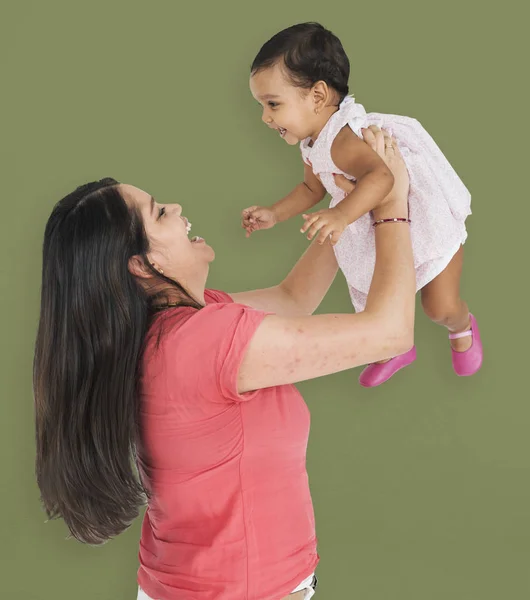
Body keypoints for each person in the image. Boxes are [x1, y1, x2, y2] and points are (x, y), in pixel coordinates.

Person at [34, 126, 414, 600]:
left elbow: (292, 299)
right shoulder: (203, 341)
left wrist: (345, 206)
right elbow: (390, 333)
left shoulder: (175, 329)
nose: (175, 209)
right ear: (140, 263)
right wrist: (392, 206)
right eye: (159, 213)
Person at [242, 22, 483, 387]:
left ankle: (461, 326)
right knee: (379, 292)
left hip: (422, 218)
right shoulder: (313, 143)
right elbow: (311, 188)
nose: (266, 117)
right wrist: (275, 213)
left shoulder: (342, 139)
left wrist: (341, 215)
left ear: (318, 96)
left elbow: (383, 178)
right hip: (378, 221)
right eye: (262, 106)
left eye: (273, 104)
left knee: (440, 306)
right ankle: (396, 347)